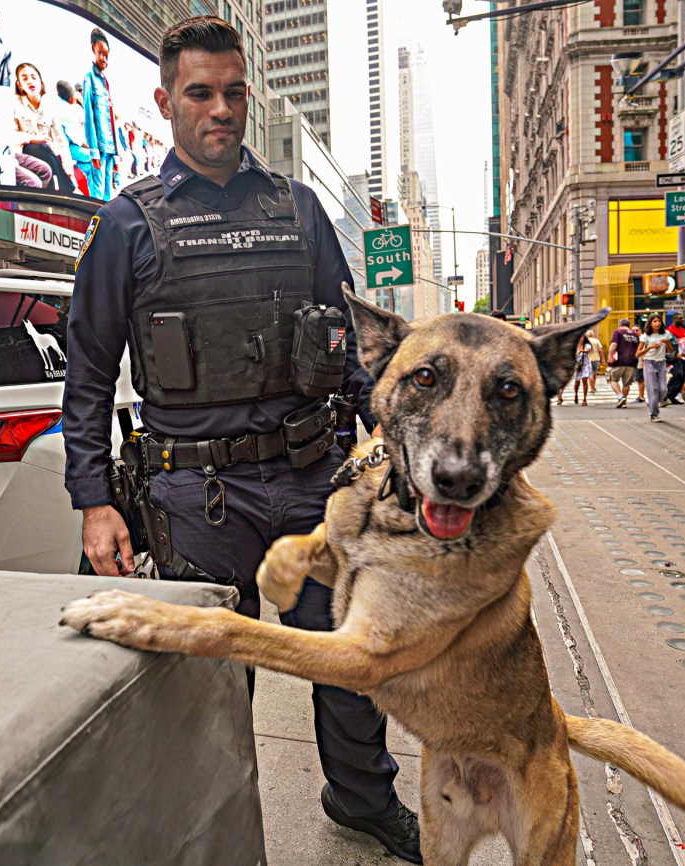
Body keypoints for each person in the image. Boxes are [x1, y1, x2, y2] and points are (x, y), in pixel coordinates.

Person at [62, 17, 421, 864]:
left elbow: (350, 343)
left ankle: (362, 798)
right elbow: (86, 373)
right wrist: (92, 503)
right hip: (197, 502)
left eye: (232, 92)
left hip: (309, 484)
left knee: (345, 658)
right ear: (164, 103)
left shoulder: (299, 211)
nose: (219, 110)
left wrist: (388, 428)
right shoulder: (127, 226)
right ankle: (207, 830)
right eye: (199, 94)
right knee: (210, 688)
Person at [14, 62, 76, 193]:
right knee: (41, 147)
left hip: (47, 153)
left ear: (40, 81)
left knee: (46, 149)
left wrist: (68, 167)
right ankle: (68, 189)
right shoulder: (15, 105)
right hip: (24, 151)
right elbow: (12, 134)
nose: (30, 81)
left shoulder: (49, 105)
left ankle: (63, 188)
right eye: (24, 78)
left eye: (33, 77)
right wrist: (33, 138)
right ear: (19, 84)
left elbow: (60, 139)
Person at [83, 28, 121, 200]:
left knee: (108, 196)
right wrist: (93, 152)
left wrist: (117, 153)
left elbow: (112, 120)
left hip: (110, 148)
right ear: (93, 50)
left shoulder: (106, 82)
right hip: (98, 148)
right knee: (97, 196)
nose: (104, 59)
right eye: (101, 54)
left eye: (107, 55)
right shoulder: (89, 78)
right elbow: (89, 117)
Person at [55, 79, 93, 195]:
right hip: (65, 147)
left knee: (88, 161)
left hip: (66, 145)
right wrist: (90, 148)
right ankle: (92, 195)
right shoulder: (68, 110)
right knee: (94, 158)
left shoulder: (59, 104)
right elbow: (77, 139)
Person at [636, 314, 673, 422]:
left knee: (663, 389)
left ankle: (653, 402)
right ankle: (654, 414)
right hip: (649, 363)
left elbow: (671, 351)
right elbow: (637, 354)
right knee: (653, 389)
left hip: (662, 363)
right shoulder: (645, 336)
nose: (657, 323)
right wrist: (651, 347)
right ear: (650, 323)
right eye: (655, 321)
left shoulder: (666, 334)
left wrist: (667, 343)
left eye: (659, 321)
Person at [607, 316, 640, 408]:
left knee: (612, 379)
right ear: (629, 325)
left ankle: (620, 397)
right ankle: (623, 402)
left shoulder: (618, 332)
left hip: (618, 361)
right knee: (627, 383)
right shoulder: (635, 335)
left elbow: (614, 344)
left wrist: (609, 356)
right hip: (632, 362)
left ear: (619, 325)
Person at [572, 332, 593, 405]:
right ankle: (576, 394)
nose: (580, 339)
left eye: (582, 337)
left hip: (585, 365)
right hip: (577, 365)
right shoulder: (574, 346)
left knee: (584, 380)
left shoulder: (587, 345)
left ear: (584, 338)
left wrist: (581, 350)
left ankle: (584, 399)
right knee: (577, 382)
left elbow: (587, 350)